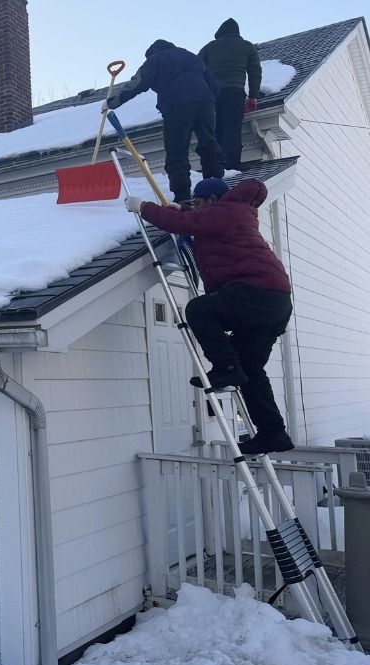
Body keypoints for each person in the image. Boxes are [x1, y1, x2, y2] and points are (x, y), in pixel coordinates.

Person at [126, 177, 294, 455]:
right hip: (272, 301)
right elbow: (194, 219)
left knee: (199, 310)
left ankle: (226, 369)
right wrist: (181, 210)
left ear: (213, 200)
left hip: (257, 293)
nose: (195, 207)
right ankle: (273, 433)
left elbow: (187, 225)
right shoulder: (231, 213)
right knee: (250, 370)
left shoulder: (227, 212)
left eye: (198, 202)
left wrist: (143, 207)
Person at [108, 39, 224, 204]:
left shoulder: (155, 60)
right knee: (209, 144)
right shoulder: (191, 56)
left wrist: (114, 101)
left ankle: (182, 195)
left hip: (177, 105)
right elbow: (214, 85)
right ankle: (215, 187)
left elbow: (139, 82)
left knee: (176, 150)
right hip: (205, 104)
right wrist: (210, 102)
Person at [198, 19, 263, 171]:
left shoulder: (209, 47)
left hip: (211, 95)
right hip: (234, 92)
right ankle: (231, 166)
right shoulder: (247, 46)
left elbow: (195, 68)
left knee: (215, 131)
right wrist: (253, 96)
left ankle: (215, 166)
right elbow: (255, 72)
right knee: (231, 130)